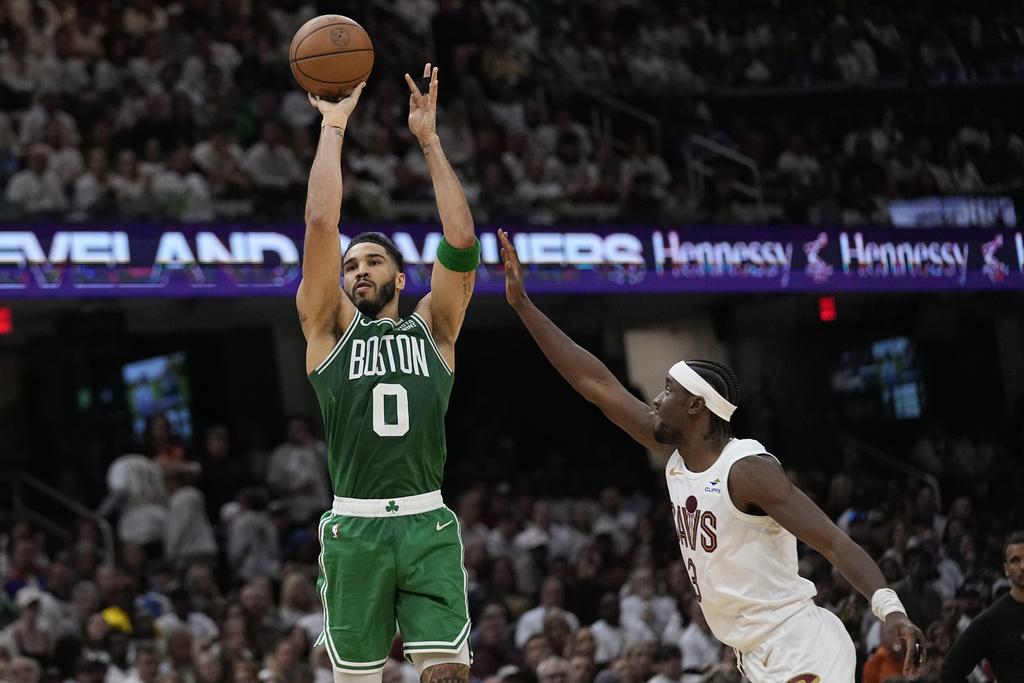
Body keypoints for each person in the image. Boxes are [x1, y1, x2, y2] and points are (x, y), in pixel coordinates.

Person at [498, 229, 925, 683]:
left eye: (668, 391)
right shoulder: (677, 453)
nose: (656, 399)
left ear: (696, 407)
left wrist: (891, 610)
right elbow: (597, 385)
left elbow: (833, 541)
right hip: (753, 654)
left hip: (799, 646)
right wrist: (524, 306)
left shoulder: (747, 470)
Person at [297, 63, 480, 682]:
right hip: (357, 524)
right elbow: (321, 225)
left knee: (449, 675)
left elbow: (461, 240)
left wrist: (429, 141)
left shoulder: (435, 328)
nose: (359, 272)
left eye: (373, 262)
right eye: (351, 267)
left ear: (401, 278)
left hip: (428, 520)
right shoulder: (327, 330)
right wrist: (333, 127)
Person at [939, 531, 1024, 682]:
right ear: (1006, 569)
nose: (1023, 566)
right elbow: (950, 670)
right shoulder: (992, 620)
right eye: (1015, 560)